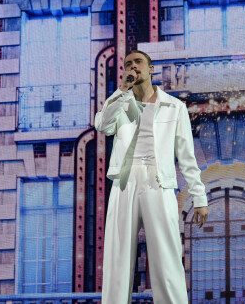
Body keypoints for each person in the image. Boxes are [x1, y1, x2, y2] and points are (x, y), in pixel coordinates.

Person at [95, 50, 209, 303]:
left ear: (151, 68)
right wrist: (121, 91)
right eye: (127, 64)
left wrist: (199, 196)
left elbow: (186, 156)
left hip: (158, 180)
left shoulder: (174, 106)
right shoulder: (119, 102)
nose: (132, 67)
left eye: (138, 62)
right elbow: (103, 126)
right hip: (125, 180)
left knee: (166, 255)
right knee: (117, 255)